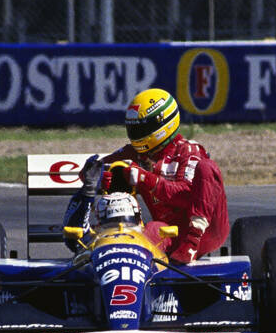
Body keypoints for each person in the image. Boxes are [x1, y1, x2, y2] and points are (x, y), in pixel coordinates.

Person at [63, 88, 229, 264]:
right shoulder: (133, 153)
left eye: (143, 127)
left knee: (207, 167)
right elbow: (89, 172)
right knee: (144, 236)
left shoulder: (189, 151)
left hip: (208, 231)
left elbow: (186, 197)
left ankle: (191, 244)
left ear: (163, 123)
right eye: (134, 127)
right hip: (169, 231)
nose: (138, 133)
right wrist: (102, 175)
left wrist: (145, 178)